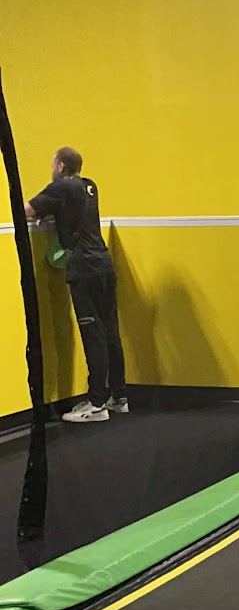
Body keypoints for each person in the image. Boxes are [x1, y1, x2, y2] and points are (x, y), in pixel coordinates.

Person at [28, 146, 126, 423]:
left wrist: (41, 214)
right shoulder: (89, 187)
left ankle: (96, 404)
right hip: (104, 265)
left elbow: (26, 210)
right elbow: (73, 214)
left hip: (84, 270)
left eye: (53, 164)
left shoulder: (61, 187)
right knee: (110, 333)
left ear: (60, 166)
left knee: (93, 335)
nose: (51, 169)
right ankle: (118, 397)